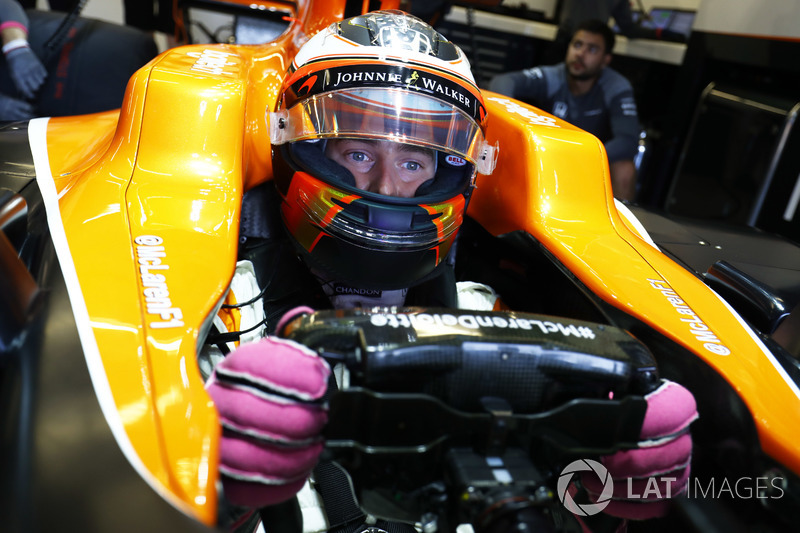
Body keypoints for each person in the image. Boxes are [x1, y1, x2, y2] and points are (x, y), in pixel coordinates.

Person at [203, 10, 697, 532]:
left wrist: (606, 469)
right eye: (357, 152)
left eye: (414, 162)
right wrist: (220, 473)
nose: (389, 187)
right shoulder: (228, 303)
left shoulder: (486, 311)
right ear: (300, 147)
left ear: (456, 173)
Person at [489, 19, 640, 201]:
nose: (580, 54)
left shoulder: (615, 86)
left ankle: (618, 228)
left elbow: (628, 141)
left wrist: (582, 157)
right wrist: (508, 120)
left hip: (589, 163)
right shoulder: (554, 76)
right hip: (547, 157)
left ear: (605, 60)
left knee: (624, 168)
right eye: (577, 45)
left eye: (592, 49)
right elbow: (503, 81)